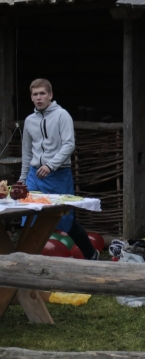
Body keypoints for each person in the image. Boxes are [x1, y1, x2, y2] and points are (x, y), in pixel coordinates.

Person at [20, 78, 98, 260]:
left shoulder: (62, 115)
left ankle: (91, 254)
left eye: (42, 93)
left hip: (58, 174)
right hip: (34, 175)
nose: (39, 98)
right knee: (29, 216)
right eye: (35, 94)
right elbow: (26, 152)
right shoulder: (29, 121)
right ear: (31, 97)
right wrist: (22, 179)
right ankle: (27, 260)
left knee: (65, 220)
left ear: (50, 95)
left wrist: (51, 165)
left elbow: (69, 144)